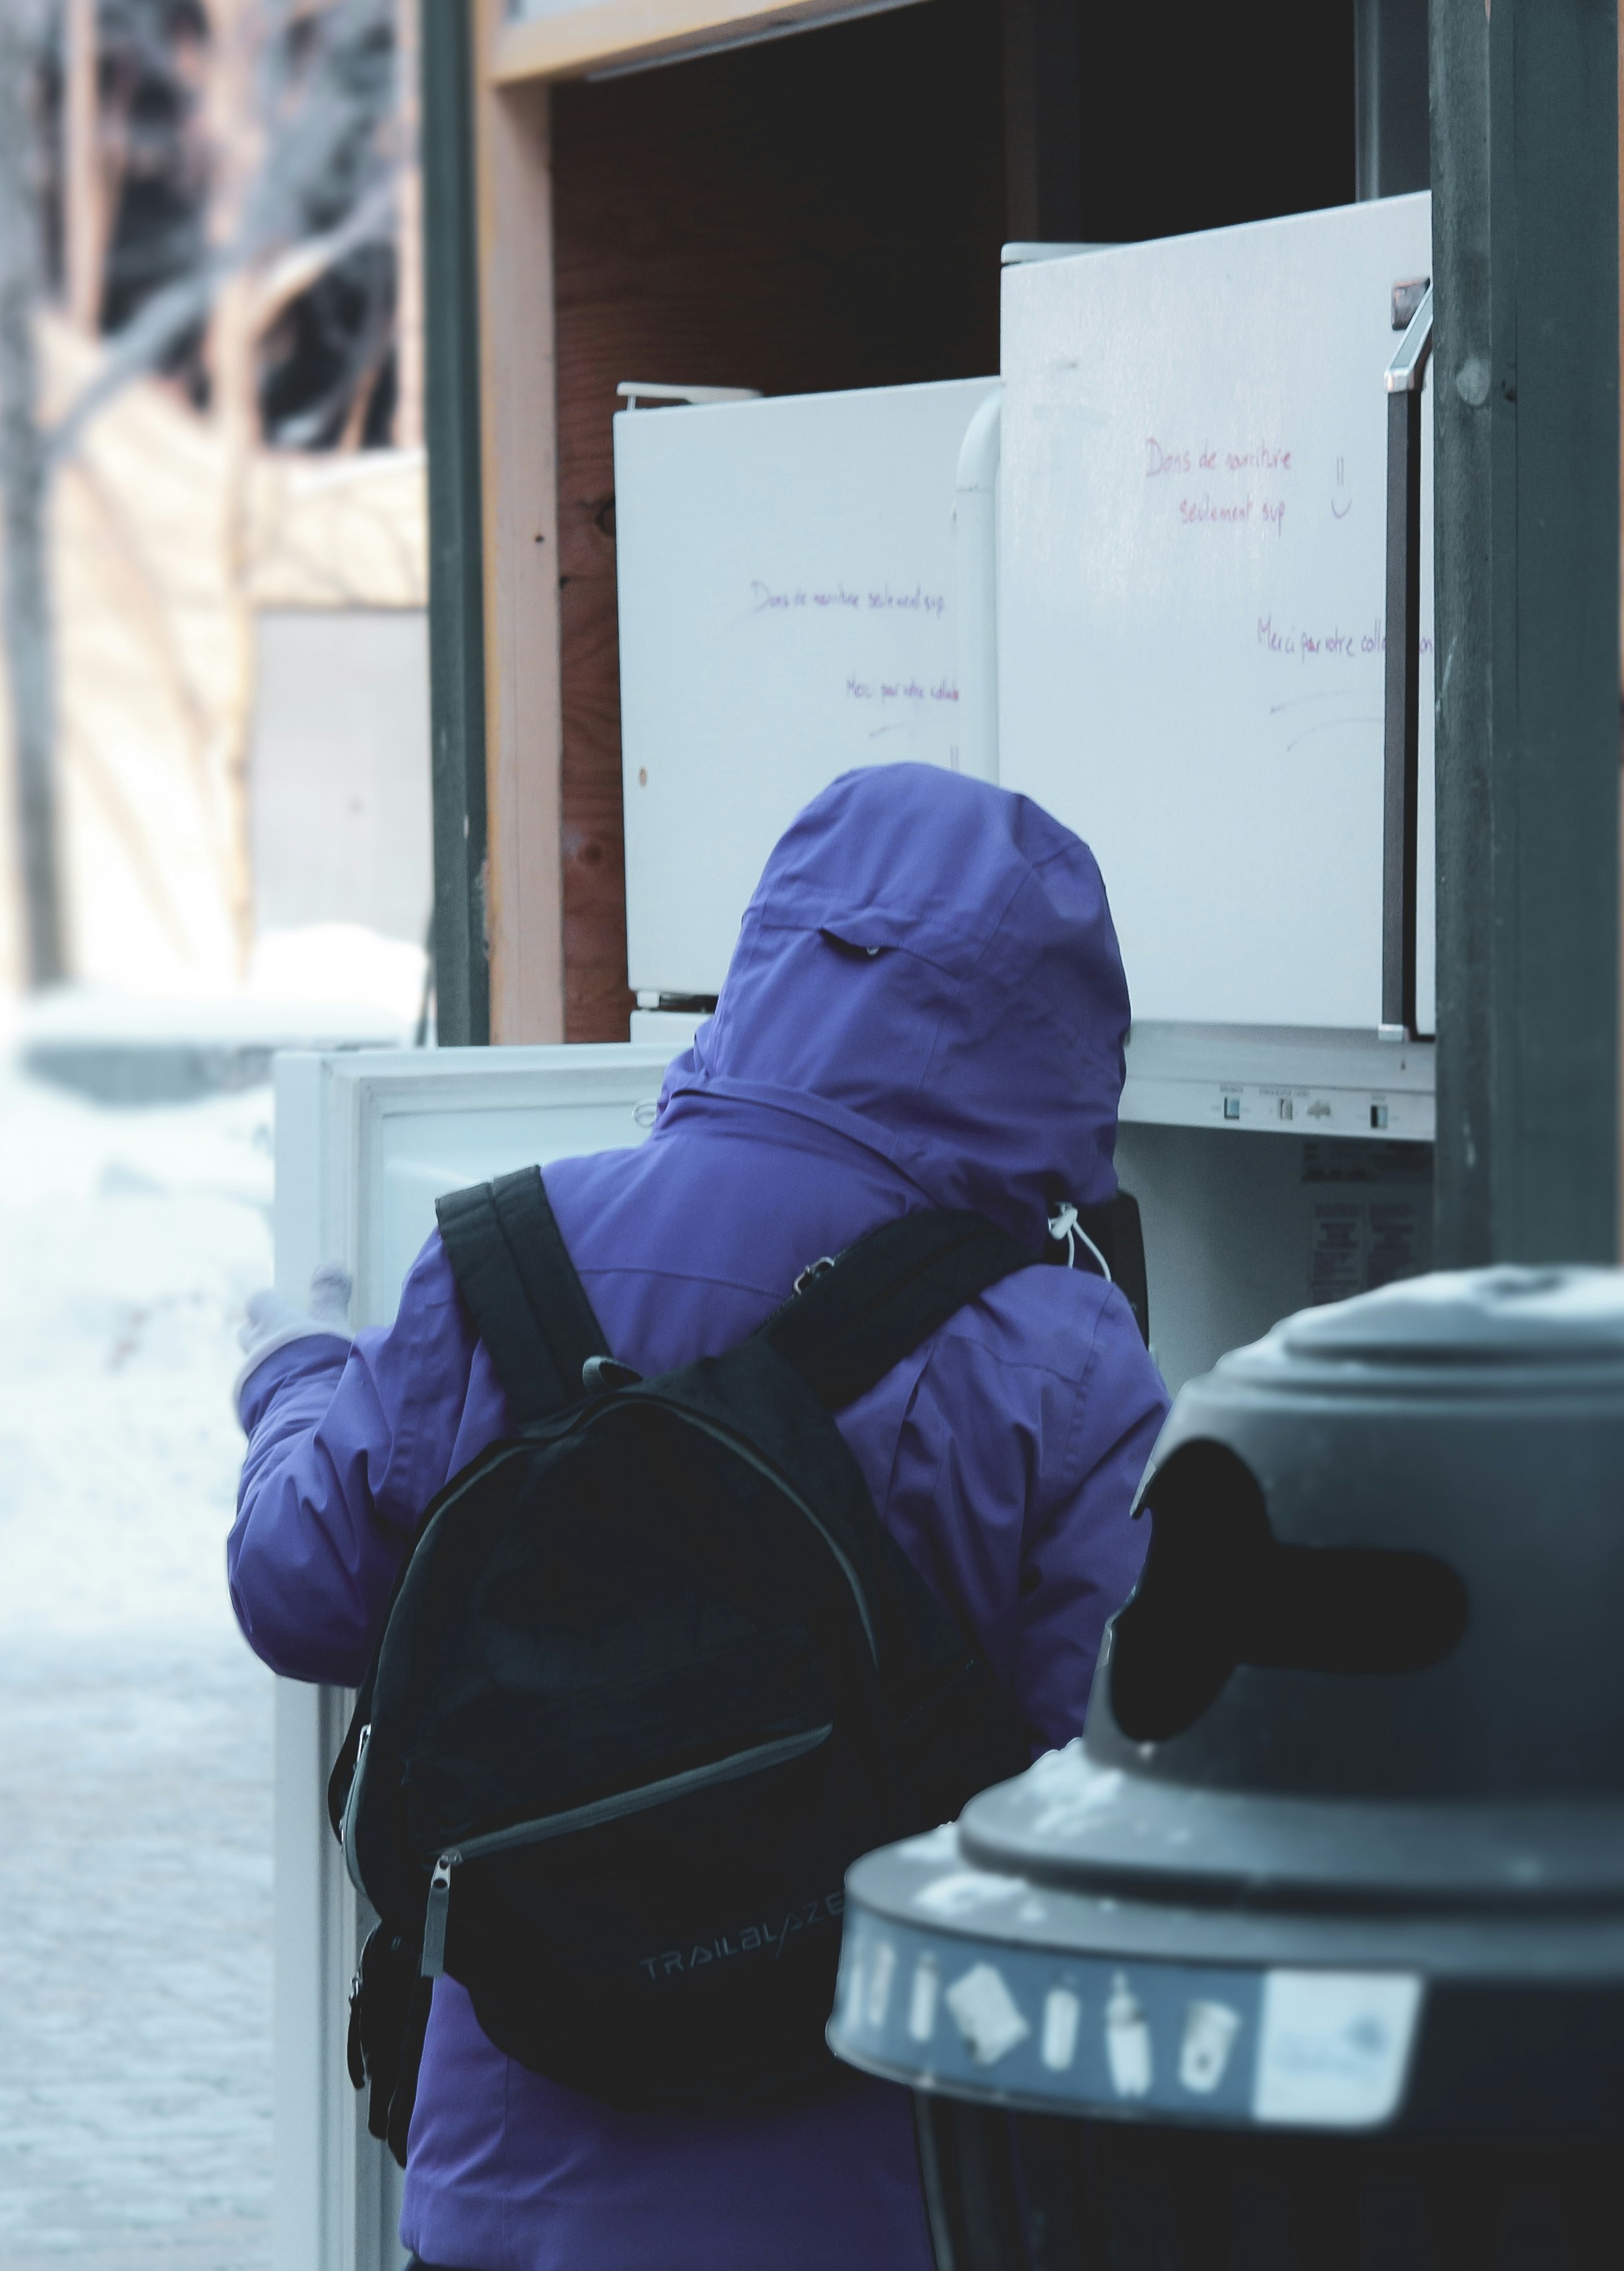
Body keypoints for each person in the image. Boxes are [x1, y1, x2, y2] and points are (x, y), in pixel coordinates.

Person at [228, 761, 1170, 2271]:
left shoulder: (507, 1257)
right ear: (1057, 1039)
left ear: (766, 970)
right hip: (876, 2208)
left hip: (502, 2205)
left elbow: (301, 1586)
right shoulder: (1059, 1360)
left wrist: (292, 1379)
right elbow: (1125, 1802)